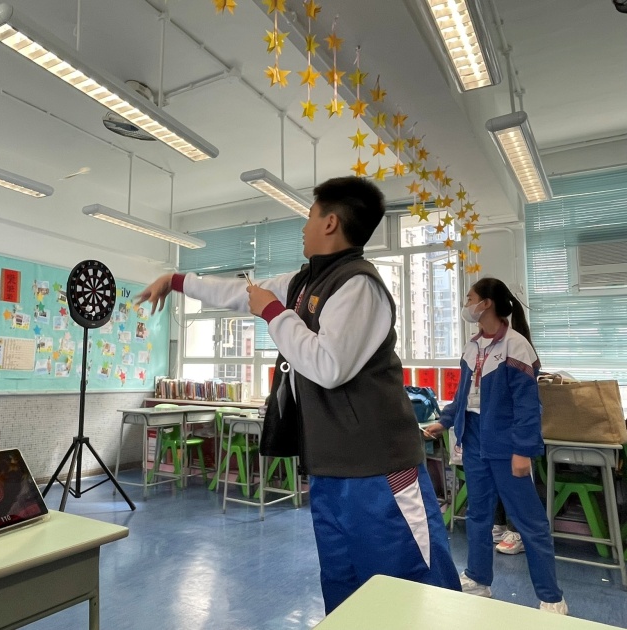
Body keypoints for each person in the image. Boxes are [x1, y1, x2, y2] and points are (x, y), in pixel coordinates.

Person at [137, 176, 460, 613]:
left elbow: (328, 366)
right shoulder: (305, 282)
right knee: (345, 592)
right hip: (330, 469)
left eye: (309, 216)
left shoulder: (359, 285)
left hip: (379, 473)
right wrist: (177, 280)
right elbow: (241, 294)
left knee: (409, 594)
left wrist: (273, 313)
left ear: (330, 222)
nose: (303, 227)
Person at [424, 277, 567, 614]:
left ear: (486, 303)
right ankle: (478, 579)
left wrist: (523, 450)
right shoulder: (472, 347)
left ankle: (551, 597)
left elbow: (528, 406)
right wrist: (446, 420)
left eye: (469, 298)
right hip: (474, 439)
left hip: (506, 444)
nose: (466, 304)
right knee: (478, 515)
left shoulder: (516, 346)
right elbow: (463, 395)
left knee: (529, 522)